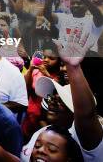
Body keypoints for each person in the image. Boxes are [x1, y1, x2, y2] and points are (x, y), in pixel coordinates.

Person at [20, 31, 102, 162]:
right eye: (52, 97)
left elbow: (86, 115)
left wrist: (74, 68)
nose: (52, 102)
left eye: (62, 101)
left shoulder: (85, 139)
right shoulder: (44, 132)